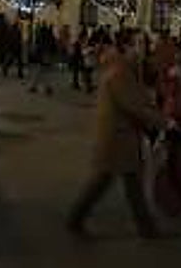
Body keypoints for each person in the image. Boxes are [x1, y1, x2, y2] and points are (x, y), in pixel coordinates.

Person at [66, 33, 166, 239]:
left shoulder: (119, 68)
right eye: (138, 45)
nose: (143, 51)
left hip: (119, 135)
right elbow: (135, 105)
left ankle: (145, 226)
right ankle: (76, 218)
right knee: (110, 180)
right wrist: (164, 122)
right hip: (118, 136)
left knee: (124, 181)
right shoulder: (120, 72)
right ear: (126, 47)